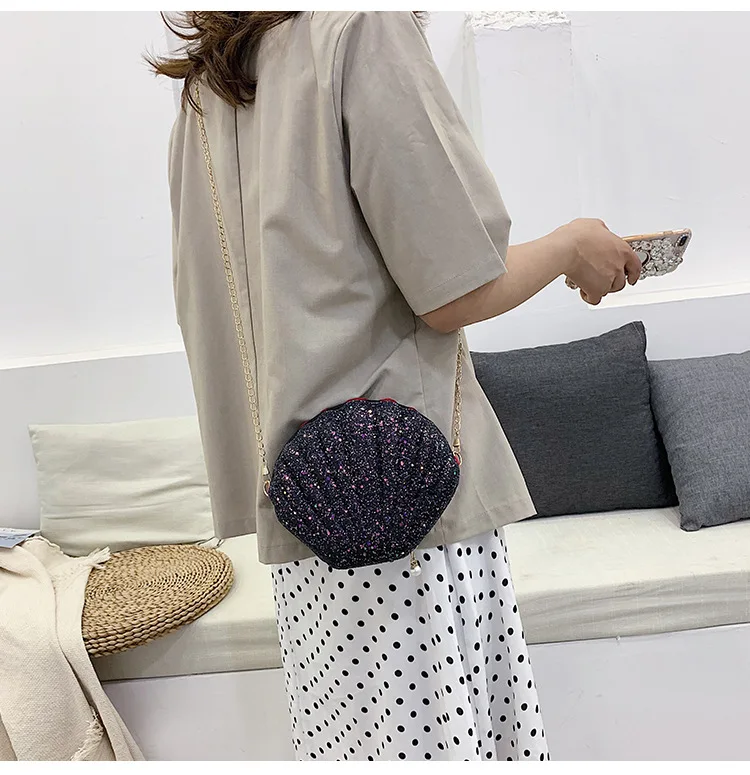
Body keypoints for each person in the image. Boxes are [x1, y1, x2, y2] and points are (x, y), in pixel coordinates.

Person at [153, 11, 640, 762]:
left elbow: (213, 310)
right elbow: (455, 287)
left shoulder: (212, 82)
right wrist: (572, 246)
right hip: (406, 503)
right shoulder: (361, 29)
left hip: (308, 509)